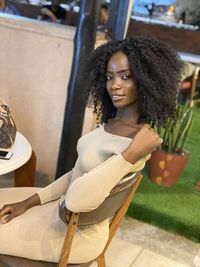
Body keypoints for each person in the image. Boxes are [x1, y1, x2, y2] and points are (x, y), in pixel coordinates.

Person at [0, 35, 183, 264]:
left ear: (148, 80)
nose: (114, 85)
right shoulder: (111, 122)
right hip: (61, 214)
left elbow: (76, 201)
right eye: (109, 77)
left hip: (75, 235)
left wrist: (129, 156)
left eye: (126, 77)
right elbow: (76, 174)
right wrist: (29, 202)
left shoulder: (136, 144)